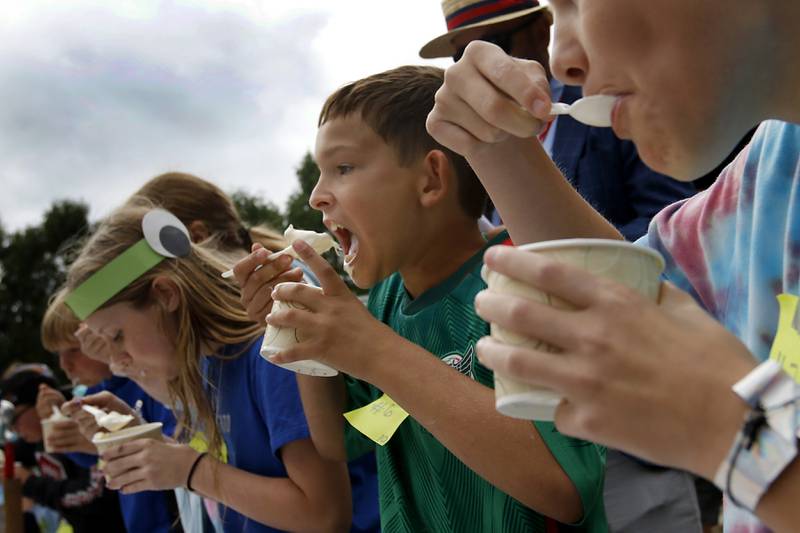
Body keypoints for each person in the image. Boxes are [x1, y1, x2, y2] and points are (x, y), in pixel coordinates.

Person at [424, 1, 800, 532]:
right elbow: (636, 294)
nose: (562, 62)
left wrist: (737, 437)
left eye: (575, 3)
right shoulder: (773, 166)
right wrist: (499, 145)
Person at [234, 65, 607, 532]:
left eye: (343, 168)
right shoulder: (389, 302)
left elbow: (567, 488)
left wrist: (374, 350)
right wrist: (300, 335)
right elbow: (347, 438)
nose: (316, 197)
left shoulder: (520, 274)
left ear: (431, 178)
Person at [69, 171, 379, 533]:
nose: (117, 360)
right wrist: (150, 446)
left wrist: (190, 470)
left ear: (166, 295)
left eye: (116, 336)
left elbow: (324, 513)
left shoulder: (272, 347)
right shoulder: (209, 360)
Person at [420, 0, 695, 241]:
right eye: (460, 56)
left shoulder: (614, 101)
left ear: (540, 32)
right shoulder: (474, 139)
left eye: (495, 44)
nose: (476, 64)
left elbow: (676, 224)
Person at [41, 288, 185, 533]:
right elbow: (87, 458)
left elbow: (180, 448)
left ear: (102, 335)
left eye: (74, 349)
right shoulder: (99, 390)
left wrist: (107, 441)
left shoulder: (151, 381)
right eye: (58, 354)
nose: (65, 365)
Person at [0, 368, 125, 533]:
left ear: (38, 403)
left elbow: (94, 493)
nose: (14, 429)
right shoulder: (33, 440)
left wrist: (30, 483)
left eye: (15, 419)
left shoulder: (79, 425)